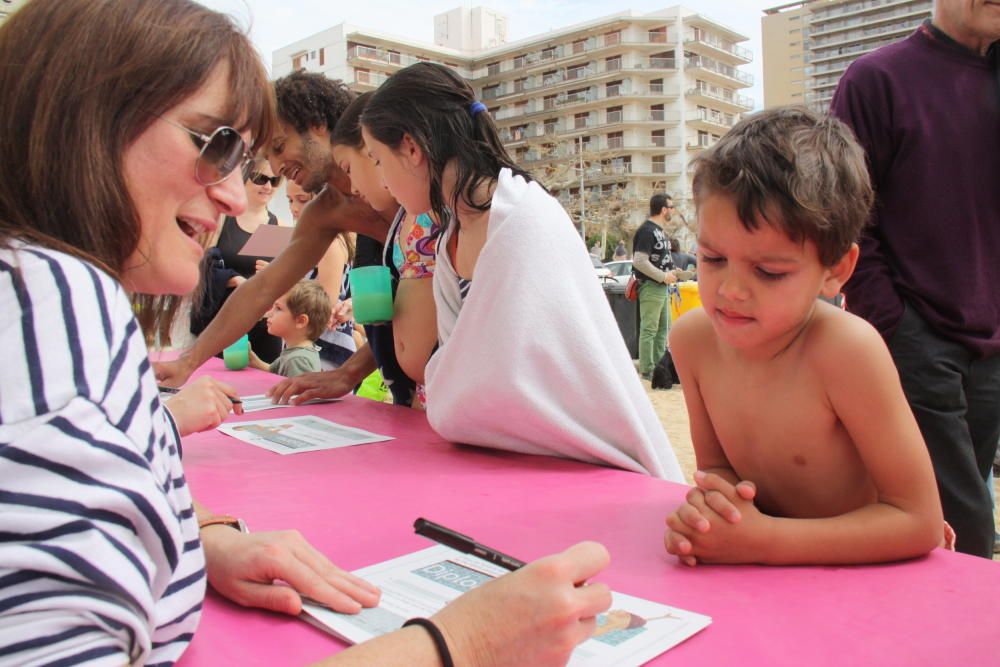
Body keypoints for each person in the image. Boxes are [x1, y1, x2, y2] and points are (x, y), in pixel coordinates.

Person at [0, 2, 616, 664]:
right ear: (82, 124)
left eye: (260, 154)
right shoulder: (52, 311)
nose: (242, 194)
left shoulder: (50, 302)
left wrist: (199, 539)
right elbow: (271, 287)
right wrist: (457, 644)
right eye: (216, 145)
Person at [360, 62, 683, 479]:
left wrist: (453, 394)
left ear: (410, 148)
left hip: (589, 464)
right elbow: (462, 378)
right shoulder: (451, 240)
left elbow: (504, 379)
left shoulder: (522, 220)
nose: (382, 181)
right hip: (510, 464)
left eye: (378, 161)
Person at [663, 107, 944, 566]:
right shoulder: (693, 340)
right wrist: (711, 514)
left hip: (863, 588)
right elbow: (717, 470)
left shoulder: (848, 352)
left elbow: (918, 521)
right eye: (713, 258)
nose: (731, 291)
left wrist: (762, 541)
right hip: (765, 593)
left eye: (769, 272)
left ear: (836, 271)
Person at [830, 1, 1000, 558]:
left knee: (958, 515)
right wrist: (895, 325)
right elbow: (846, 211)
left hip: (992, 342)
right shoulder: (878, 79)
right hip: (917, 335)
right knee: (964, 523)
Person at [209, 157, 286, 362]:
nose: (268, 186)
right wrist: (234, 280)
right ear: (244, 178)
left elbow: (276, 278)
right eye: (260, 178)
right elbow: (204, 264)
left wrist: (273, 273)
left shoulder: (276, 223)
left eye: (275, 180)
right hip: (225, 320)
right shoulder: (223, 217)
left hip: (264, 325)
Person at [632, 193, 678, 380]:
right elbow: (639, 261)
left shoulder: (659, 231)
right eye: (672, 207)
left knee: (662, 330)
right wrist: (663, 276)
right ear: (664, 209)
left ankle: (660, 369)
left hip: (660, 286)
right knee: (650, 329)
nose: (673, 210)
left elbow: (656, 260)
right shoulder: (647, 230)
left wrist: (673, 271)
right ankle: (647, 369)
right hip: (651, 286)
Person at [249, 280, 331, 377]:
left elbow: (297, 392)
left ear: (301, 321)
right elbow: (272, 370)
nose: (269, 313)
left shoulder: (297, 360)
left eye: (278, 308)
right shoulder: (294, 351)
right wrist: (252, 359)